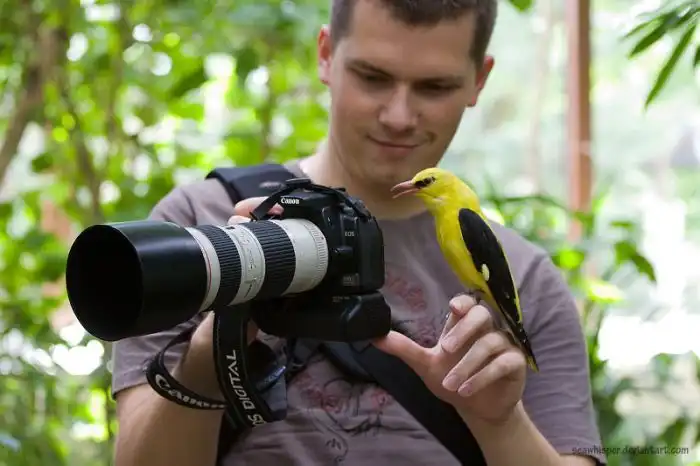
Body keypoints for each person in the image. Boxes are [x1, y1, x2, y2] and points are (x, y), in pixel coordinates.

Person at [110, 0, 607, 465]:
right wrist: (210, 353)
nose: (398, 117)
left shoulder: (522, 279)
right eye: (373, 77)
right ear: (326, 55)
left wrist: (499, 422)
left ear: (479, 81)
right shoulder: (199, 228)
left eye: (434, 87)